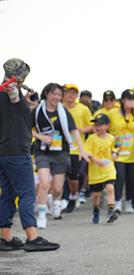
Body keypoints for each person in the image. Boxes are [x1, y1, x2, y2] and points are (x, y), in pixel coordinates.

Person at [0, 58, 59, 252]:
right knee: (26, 194)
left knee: (7, 195)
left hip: (3, 152)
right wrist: (15, 89)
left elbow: (15, 109)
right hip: (17, 152)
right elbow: (13, 95)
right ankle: (32, 236)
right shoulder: (11, 90)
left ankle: (5, 236)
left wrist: (27, 104)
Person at [32, 83, 89, 228]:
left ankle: (56, 202)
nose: (57, 97)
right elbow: (28, 129)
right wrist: (40, 137)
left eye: (59, 95)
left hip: (61, 152)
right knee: (44, 183)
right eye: (54, 94)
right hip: (42, 151)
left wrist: (82, 150)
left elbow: (74, 130)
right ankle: (42, 215)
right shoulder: (38, 111)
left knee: (57, 188)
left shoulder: (63, 111)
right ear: (46, 94)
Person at [108, 89, 134, 214]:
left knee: (132, 178)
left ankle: (129, 202)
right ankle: (117, 202)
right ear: (122, 100)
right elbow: (106, 129)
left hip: (132, 152)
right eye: (129, 99)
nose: (132, 102)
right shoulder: (112, 113)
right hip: (117, 151)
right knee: (119, 176)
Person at [62, 83, 93, 213]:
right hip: (61, 147)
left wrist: (78, 130)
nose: (71, 95)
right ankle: (64, 199)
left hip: (77, 148)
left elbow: (91, 126)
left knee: (75, 176)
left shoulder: (83, 109)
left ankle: (73, 195)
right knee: (61, 175)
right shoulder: (59, 107)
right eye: (68, 92)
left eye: (74, 93)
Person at [84, 114, 119, 224]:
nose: (97, 127)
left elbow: (115, 148)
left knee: (110, 188)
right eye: (96, 125)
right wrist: (95, 160)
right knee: (96, 195)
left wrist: (114, 154)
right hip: (95, 170)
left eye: (100, 125)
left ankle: (110, 211)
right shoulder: (91, 139)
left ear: (107, 126)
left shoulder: (111, 138)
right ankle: (96, 210)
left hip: (108, 168)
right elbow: (87, 153)